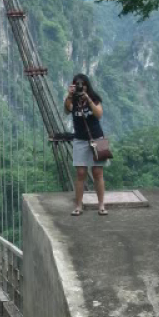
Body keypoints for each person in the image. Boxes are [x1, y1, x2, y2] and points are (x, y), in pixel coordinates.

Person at [64, 73, 108, 217]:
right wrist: (69, 95)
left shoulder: (94, 98)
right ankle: (78, 206)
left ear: (87, 85)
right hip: (80, 139)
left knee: (98, 172)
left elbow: (99, 114)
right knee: (80, 173)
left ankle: (101, 205)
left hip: (99, 138)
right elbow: (67, 109)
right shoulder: (73, 100)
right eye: (77, 84)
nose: (80, 86)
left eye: (83, 84)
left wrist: (88, 99)